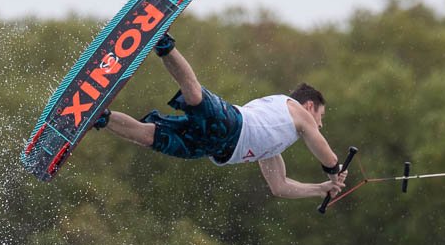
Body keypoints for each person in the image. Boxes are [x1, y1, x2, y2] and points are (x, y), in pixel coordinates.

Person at [93, 32, 347, 200]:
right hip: (231, 125)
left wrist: (320, 189)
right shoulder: (297, 111)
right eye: (321, 116)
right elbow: (327, 155)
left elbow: (280, 187)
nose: (320, 124)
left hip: (210, 147)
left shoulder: (273, 146)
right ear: (310, 106)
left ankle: (100, 117)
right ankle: (163, 43)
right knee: (194, 96)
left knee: (150, 137)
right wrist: (335, 172)